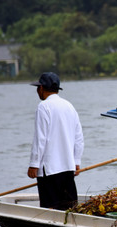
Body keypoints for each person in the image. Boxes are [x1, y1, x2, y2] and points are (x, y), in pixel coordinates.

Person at [27, 72, 84, 210]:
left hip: (50, 170)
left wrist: (34, 164)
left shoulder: (43, 106)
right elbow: (79, 137)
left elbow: (40, 138)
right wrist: (76, 161)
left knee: (50, 209)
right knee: (69, 209)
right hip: (68, 168)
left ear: (41, 88)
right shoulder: (69, 106)